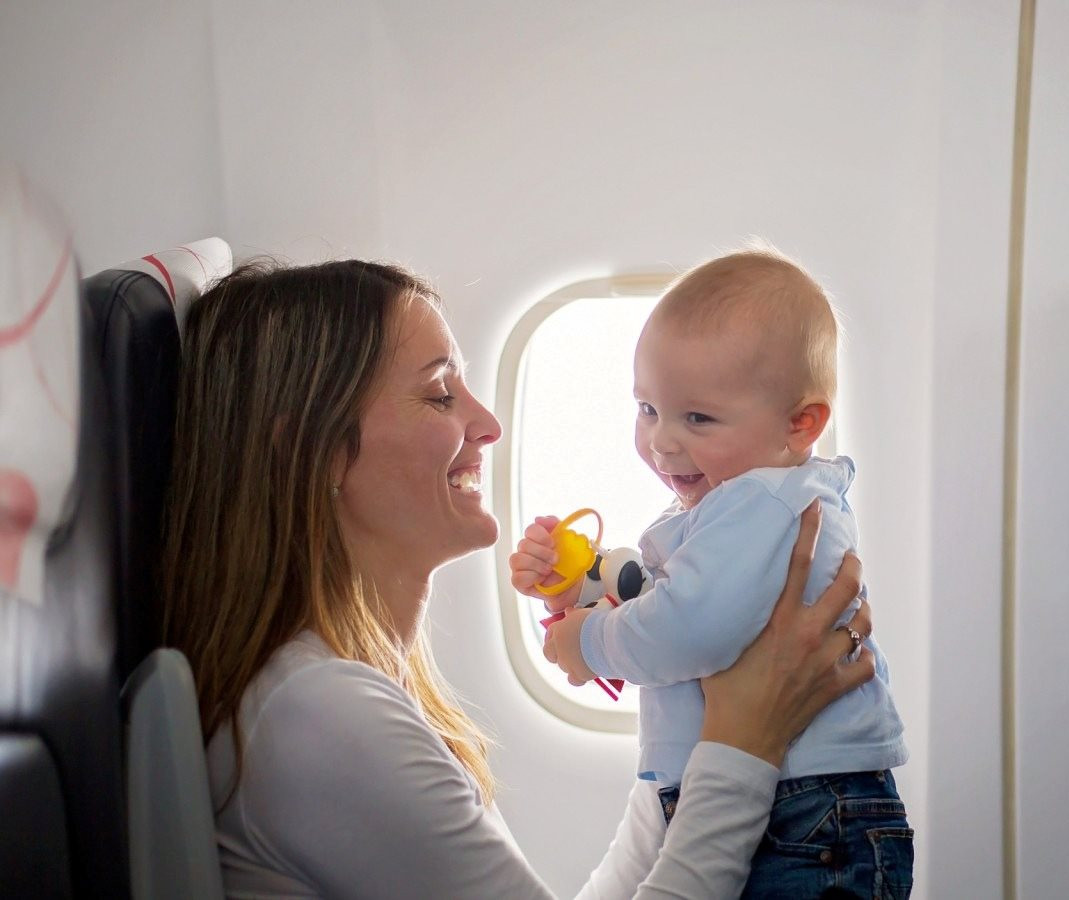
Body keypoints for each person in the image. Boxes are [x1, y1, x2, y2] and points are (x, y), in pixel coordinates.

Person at [159, 259, 875, 899]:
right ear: (314, 449)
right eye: (440, 395)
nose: (488, 422)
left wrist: (686, 769)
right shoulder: (317, 714)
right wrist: (745, 742)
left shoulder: (352, 689)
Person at [512, 247, 911, 899]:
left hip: (806, 812)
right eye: (647, 409)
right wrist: (576, 582)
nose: (662, 441)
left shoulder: (761, 502)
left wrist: (586, 643)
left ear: (800, 422)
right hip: (789, 802)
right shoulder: (734, 505)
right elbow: (666, 595)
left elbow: (690, 627)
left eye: (696, 418)